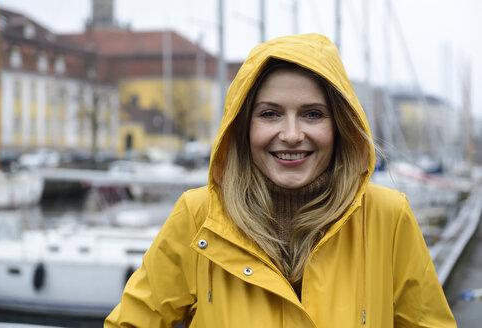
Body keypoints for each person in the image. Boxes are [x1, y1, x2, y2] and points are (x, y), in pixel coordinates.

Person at [105, 33, 456, 327]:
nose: (290, 135)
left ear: (339, 127)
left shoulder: (387, 217)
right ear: (244, 126)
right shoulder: (199, 217)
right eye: (270, 114)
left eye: (312, 114)